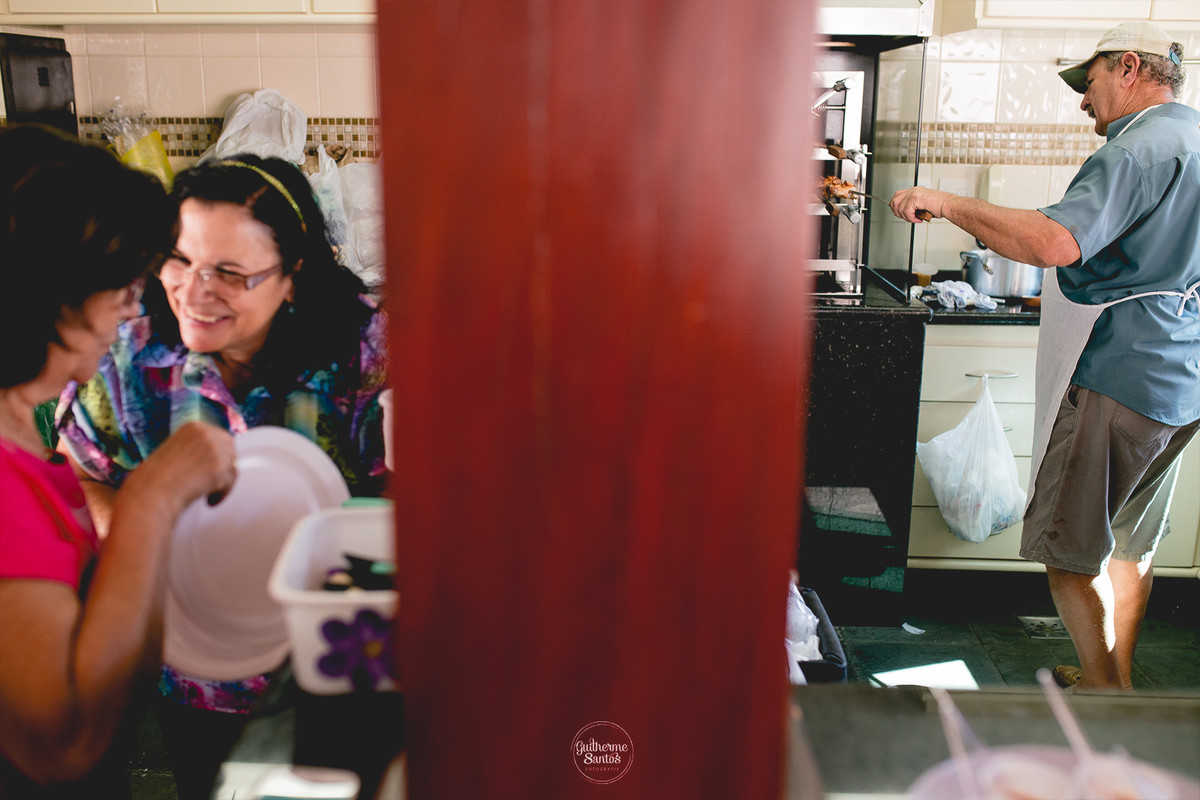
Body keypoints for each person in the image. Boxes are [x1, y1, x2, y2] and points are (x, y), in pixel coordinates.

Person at [54, 154, 390, 795]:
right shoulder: (134, 346)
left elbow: (401, 488)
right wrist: (141, 535)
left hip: (326, 658)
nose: (192, 291)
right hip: (189, 653)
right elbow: (82, 471)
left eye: (231, 274)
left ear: (292, 276)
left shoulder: (360, 350)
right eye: (179, 259)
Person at [889, 22, 1198, 692]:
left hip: (1123, 372)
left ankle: (1105, 692)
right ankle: (1111, 674)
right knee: (1130, 543)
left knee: (1071, 549)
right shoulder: (1194, 138)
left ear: (1126, 68)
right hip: (1182, 378)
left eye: (1087, 85)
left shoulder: (1138, 150)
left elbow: (1055, 243)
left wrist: (945, 201)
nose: (1084, 104)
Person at [0, 124, 237, 796]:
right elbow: (62, 746)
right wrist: (151, 496)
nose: (132, 310)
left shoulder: (21, 427)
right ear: (49, 296)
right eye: (120, 289)